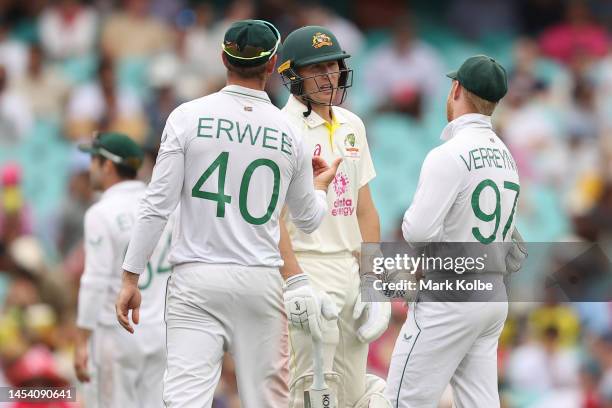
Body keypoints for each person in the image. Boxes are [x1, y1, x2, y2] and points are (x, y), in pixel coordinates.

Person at [115, 20, 341, 407]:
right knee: (267, 401)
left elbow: (157, 205)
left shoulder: (186, 117)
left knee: (185, 399)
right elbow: (308, 220)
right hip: (260, 279)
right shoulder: (290, 134)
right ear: (273, 65)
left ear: (223, 59)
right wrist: (320, 187)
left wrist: (130, 277)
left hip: (195, 277)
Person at [385, 55, 524, 407]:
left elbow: (418, 230)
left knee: (403, 401)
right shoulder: (507, 157)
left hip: (451, 293)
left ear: (457, 88)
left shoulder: (448, 153)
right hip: (492, 294)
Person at [277, 26, 391, 408]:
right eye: (317, 69)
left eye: (334, 66)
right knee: (309, 391)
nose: (330, 77)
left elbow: (365, 208)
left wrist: (373, 279)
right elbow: (272, 219)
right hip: (308, 267)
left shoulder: (352, 124)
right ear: (293, 76)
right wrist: (295, 281)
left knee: (354, 392)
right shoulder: (282, 130)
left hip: (351, 269)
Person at [73, 132, 173, 407]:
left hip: (117, 333)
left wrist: (81, 341)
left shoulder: (101, 213)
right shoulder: (162, 206)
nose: (90, 167)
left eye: (93, 160)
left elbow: (94, 281)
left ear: (107, 165)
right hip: (162, 333)